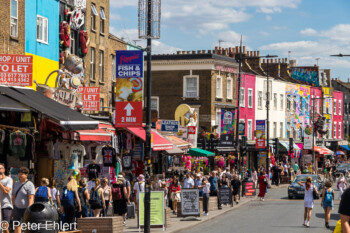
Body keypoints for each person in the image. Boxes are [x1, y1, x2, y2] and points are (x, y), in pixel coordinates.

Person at [12, 167, 35, 233]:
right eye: (19, 174)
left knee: (26, 225)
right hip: (16, 208)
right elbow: (13, 195)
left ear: (26, 175)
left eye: (22, 174)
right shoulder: (16, 184)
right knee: (16, 224)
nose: (20, 175)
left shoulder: (30, 184)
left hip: (26, 209)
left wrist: (29, 208)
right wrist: (13, 205)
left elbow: (31, 197)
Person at [0, 163, 12, 233]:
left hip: (5, 205)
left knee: (4, 225)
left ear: (4, 170)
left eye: (0, 168)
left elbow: (6, 191)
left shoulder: (8, 179)